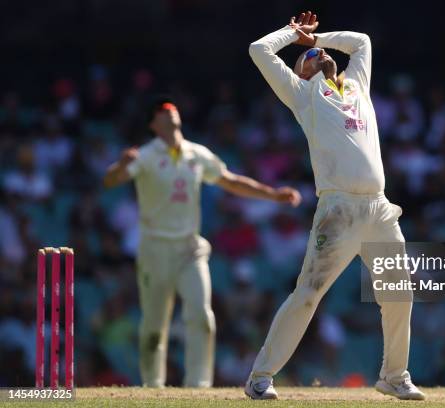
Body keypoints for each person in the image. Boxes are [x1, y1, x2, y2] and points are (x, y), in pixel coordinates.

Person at [245, 11, 424, 400]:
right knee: (308, 293)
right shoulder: (302, 96)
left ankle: (394, 376)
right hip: (338, 211)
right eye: (311, 59)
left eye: (325, 54)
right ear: (302, 73)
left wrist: (317, 38)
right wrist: (292, 34)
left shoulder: (358, 85)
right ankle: (260, 376)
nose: (323, 57)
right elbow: (259, 49)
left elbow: (361, 41)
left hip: (379, 208)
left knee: (399, 292)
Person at [103, 96, 301, 388]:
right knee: (155, 326)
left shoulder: (197, 154)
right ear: (153, 124)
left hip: (189, 248)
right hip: (155, 250)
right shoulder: (144, 155)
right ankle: (152, 386)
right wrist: (120, 165)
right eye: (160, 110)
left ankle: (199, 386)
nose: (168, 110)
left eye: (171, 107)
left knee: (201, 317)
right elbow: (111, 181)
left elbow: (230, 181)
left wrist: (272, 195)